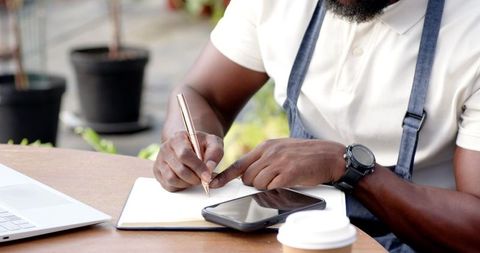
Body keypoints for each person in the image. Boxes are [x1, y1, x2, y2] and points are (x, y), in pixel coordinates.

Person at [153, 0, 480, 252]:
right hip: (297, 239)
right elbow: (202, 93)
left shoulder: (470, 28)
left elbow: (474, 228)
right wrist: (186, 141)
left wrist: (347, 166)